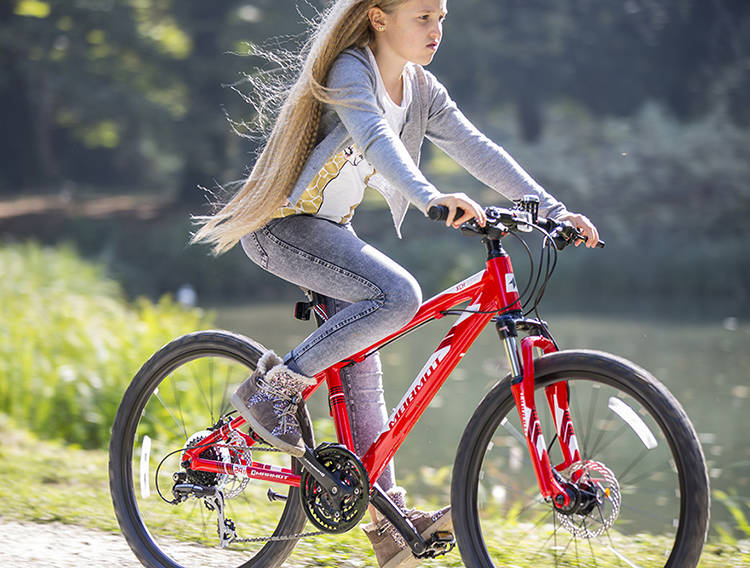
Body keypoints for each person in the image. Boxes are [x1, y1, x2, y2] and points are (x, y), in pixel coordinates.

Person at [192, 0, 599, 566]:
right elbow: (376, 139)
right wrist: (430, 196)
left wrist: (553, 210)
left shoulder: (422, 89)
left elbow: (476, 148)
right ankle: (272, 392)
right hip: (282, 228)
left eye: (442, 18)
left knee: (364, 366)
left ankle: (389, 529)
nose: (437, 30)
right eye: (423, 17)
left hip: (330, 232)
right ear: (379, 18)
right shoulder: (350, 70)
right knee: (400, 295)